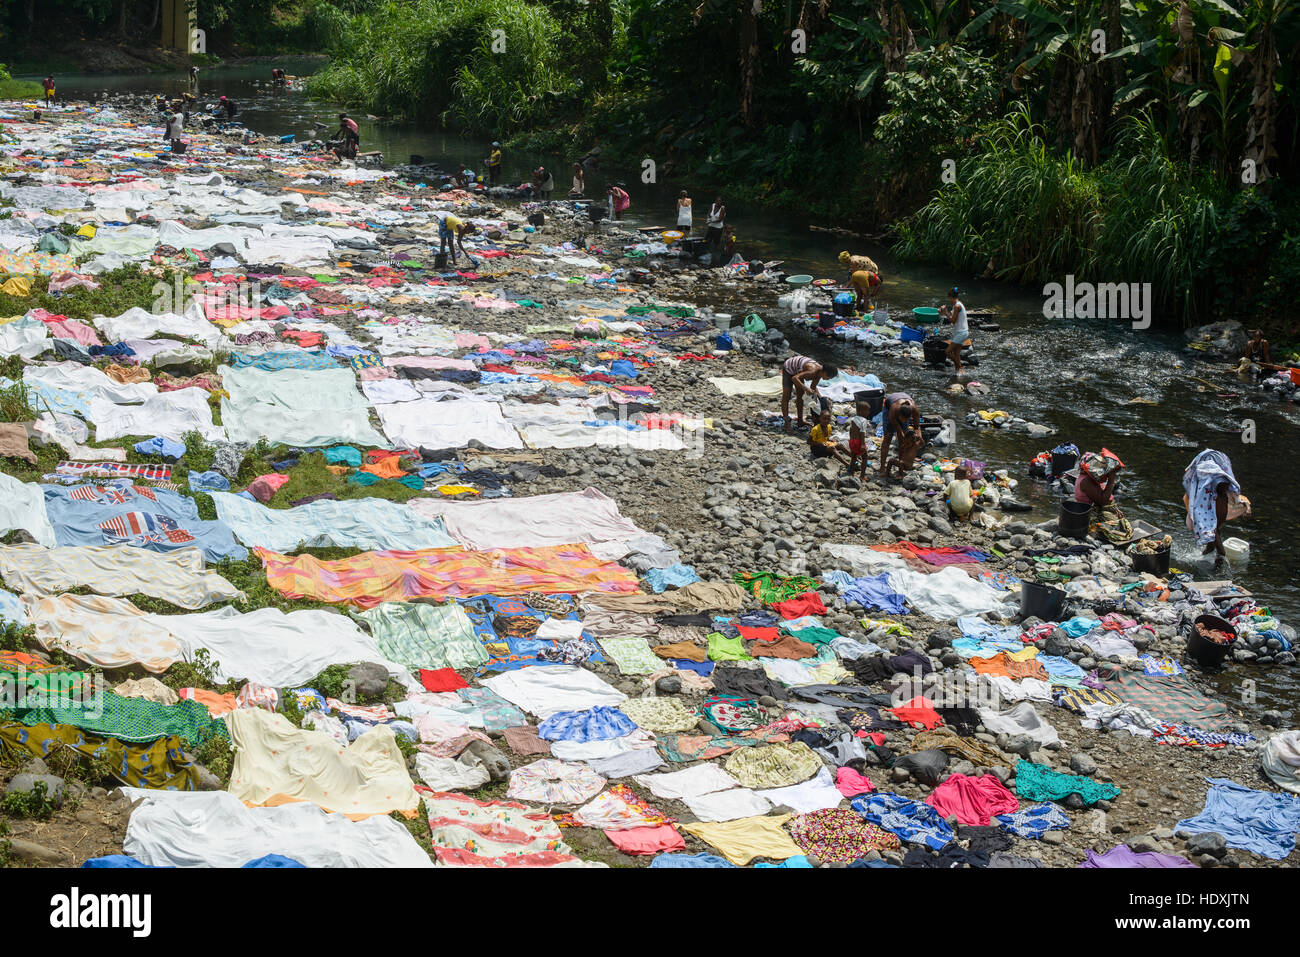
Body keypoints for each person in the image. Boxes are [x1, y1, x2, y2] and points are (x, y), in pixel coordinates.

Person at [1183, 449, 1251, 566]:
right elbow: (1188, 498)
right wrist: (1194, 516)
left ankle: (1205, 556)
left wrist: (1247, 508)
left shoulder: (1226, 492)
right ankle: (1215, 566)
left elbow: (1240, 498)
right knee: (1220, 550)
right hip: (1208, 519)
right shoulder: (1204, 494)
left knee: (1213, 542)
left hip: (1214, 518)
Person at [780, 355, 836, 433]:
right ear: (824, 372)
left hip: (798, 371)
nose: (827, 379)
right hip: (789, 367)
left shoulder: (819, 374)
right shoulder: (813, 371)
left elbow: (813, 387)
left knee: (801, 396)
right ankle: (787, 424)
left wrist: (821, 399)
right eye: (828, 377)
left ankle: (800, 421)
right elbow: (794, 378)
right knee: (787, 396)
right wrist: (806, 388)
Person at [879, 392, 920, 478]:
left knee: (904, 440)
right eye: (902, 419)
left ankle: (901, 466)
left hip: (904, 400)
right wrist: (900, 432)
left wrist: (917, 434)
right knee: (888, 438)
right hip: (889, 406)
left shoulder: (914, 410)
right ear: (899, 414)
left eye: (906, 420)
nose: (903, 422)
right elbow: (896, 426)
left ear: (909, 417)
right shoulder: (894, 409)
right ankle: (882, 468)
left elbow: (917, 426)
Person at [938, 286, 971, 374]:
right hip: (960, 332)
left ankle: (960, 367)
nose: (949, 300)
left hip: (962, 333)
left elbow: (952, 321)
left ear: (951, 297)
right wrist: (942, 311)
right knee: (956, 353)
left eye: (949, 298)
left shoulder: (957, 306)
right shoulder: (958, 304)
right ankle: (958, 371)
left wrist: (945, 312)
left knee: (948, 351)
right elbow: (952, 315)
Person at [847, 402, 872, 479]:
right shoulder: (864, 420)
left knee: (853, 457)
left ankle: (851, 473)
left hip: (852, 441)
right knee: (865, 457)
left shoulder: (853, 419)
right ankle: (862, 476)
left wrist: (851, 440)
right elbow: (862, 433)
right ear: (861, 411)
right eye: (867, 410)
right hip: (859, 441)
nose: (868, 412)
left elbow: (851, 430)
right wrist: (862, 444)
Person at [706, 196, 726, 261]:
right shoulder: (713, 205)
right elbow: (709, 213)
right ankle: (707, 253)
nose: (718, 202)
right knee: (708, 240)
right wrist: (708, 219)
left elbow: (720, 219)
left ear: (721, 202)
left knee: (716, 242)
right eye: (717, 201)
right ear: (715, 201)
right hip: (711, 226)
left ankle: (717, 255)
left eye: (720, 201)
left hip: (718, 228)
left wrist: (711, 221)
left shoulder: (722, 208)